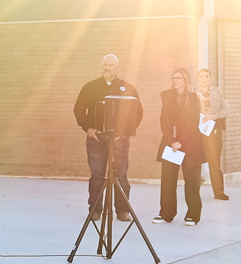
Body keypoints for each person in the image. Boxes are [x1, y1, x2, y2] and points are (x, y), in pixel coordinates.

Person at [73, 54, 143, 218]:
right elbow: (78, 110)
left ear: (116, 67)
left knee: (121, 176)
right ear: (101, 66)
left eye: (111, 65)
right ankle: (95, 210)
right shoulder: (90, 87)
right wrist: (87, 128)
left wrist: (124, 132)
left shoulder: (127, 87)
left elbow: (138, 112)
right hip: (96, 139)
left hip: (120, 140)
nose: (107, 68)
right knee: (97, 176)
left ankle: (122, 210)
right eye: (105, 64)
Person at [155, 69, 204, 225]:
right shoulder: (168, 97)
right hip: (171, 144)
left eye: (179, 78)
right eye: (173, 78)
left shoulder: (194, 98)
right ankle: (166, 214)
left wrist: (180, 142)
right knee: (168, 180)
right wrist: (171, 141)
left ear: (186, 80)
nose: (176, 81)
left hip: (190, 144)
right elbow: (164, 121)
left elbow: (193, 123)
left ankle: (193, 215)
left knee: (192, 181)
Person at [195, 68, 230, 201]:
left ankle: (219, 192)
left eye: (207, 76)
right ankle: (194, 191)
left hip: (213, 131)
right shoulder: (193, 93)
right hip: (197, 131)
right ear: (198, 79)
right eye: (202, 77)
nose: (204, 79)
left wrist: (212, 116)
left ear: (210, 79)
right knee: (195, 161)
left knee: (214, 161)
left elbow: (226, 109)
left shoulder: (217, 92)